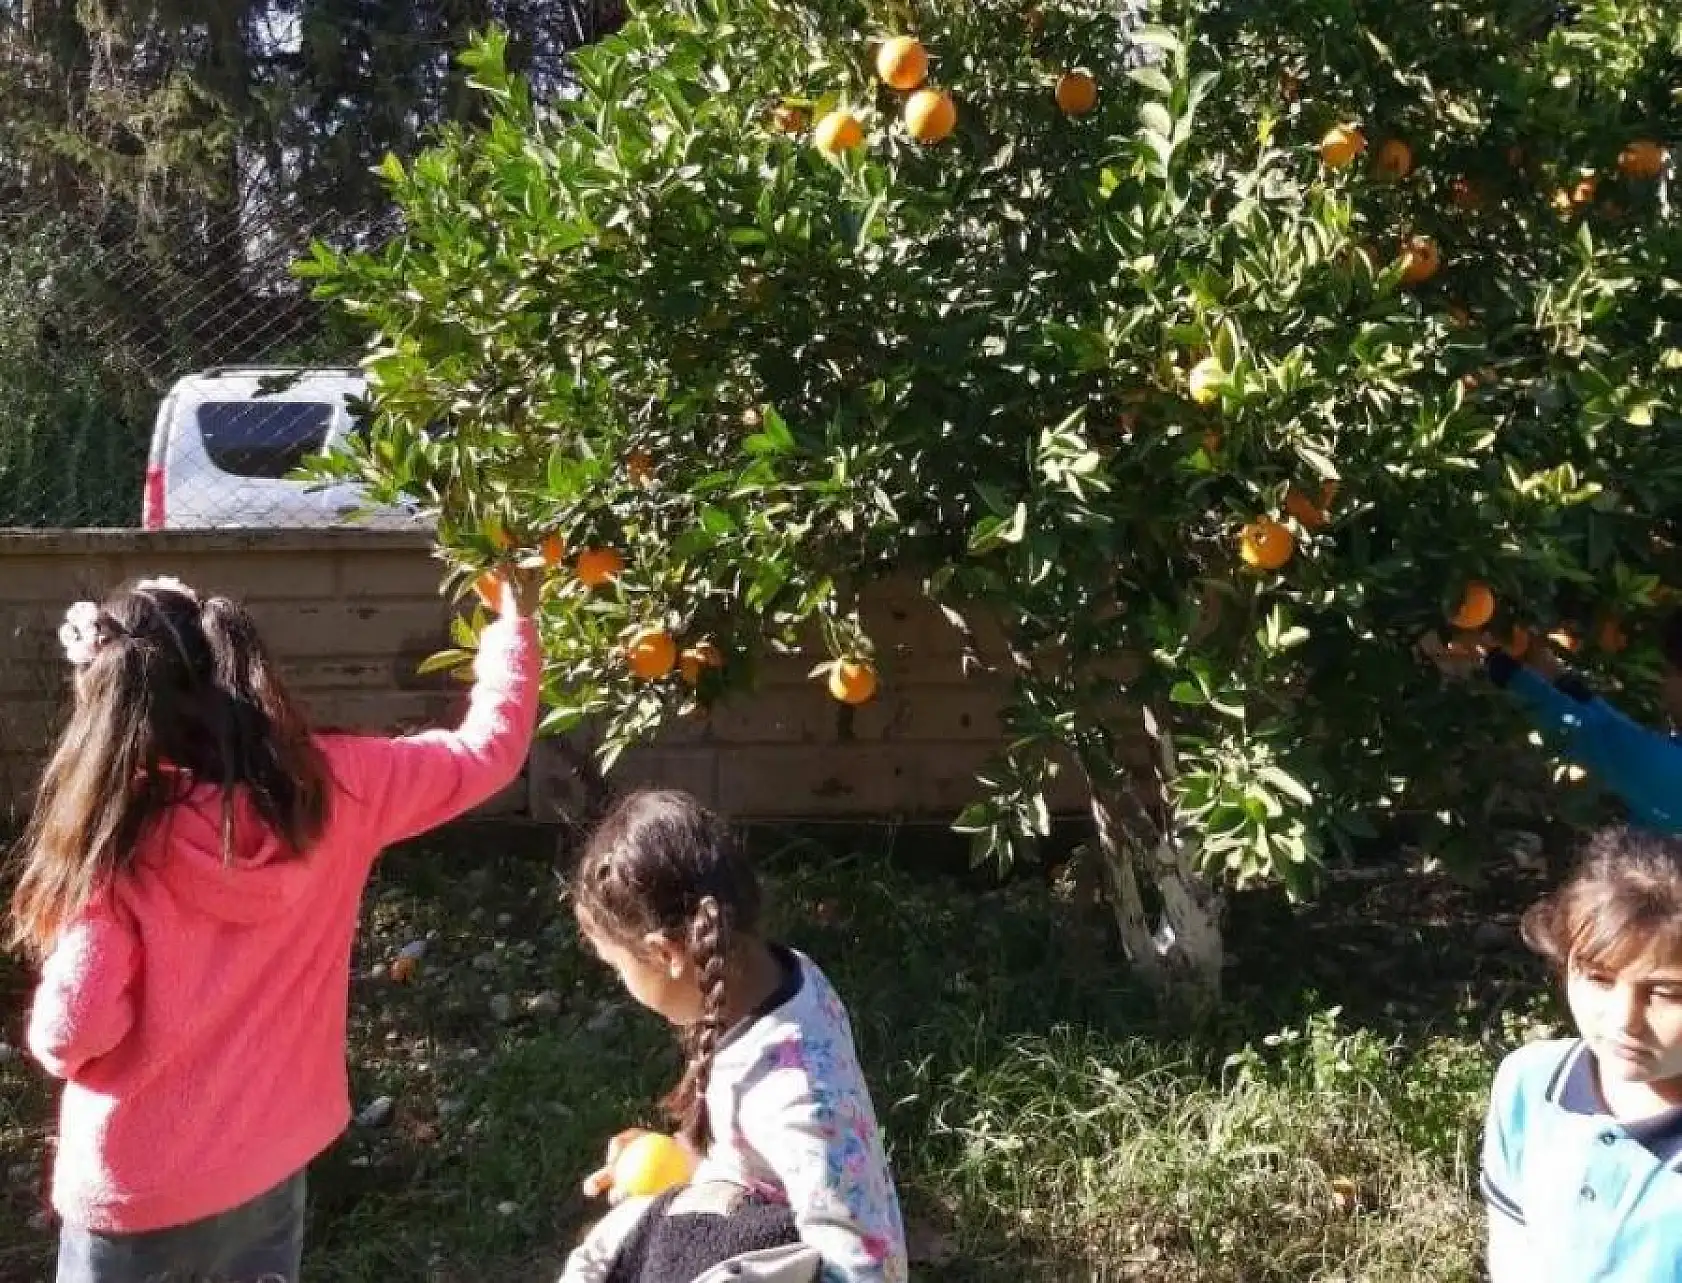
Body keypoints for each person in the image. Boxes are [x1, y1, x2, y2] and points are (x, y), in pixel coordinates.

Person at [11, 569, 541, 1283]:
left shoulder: (119, 840)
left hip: (134, 1195)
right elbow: (489, 750)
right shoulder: (334, 786)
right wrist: (514, 625)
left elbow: (71, 1031)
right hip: (269, 1168)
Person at [560, 789, 908, 1283]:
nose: (623, 986)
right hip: (740, 1226)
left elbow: (867, 1269)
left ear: (665, 954)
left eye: (620, 969)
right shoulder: (779, 977)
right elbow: (755, 1149)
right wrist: (679, 1155)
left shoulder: (797, 1097)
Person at [1482, 827, 1682, 1281]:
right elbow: (1514, 1236)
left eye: (1666, 993)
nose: (1623, 1019)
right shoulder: (1530, 1084)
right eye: (1598, 978)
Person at [1421, 607, 1682, 833]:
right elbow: (1613, 732)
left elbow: (1583, 731)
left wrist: (1497, 663)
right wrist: (1557, 677)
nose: (1663, 685)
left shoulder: (1666, 770)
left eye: (1669, 673)